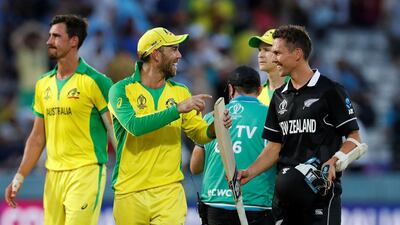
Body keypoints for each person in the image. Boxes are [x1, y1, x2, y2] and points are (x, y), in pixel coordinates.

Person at [238, 25, 363, 225]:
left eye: (278, 52)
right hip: (284, 200)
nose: (274, 58)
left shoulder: (330, 90)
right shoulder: (279, 97)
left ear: (297, 54)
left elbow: (355, 139)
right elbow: (273, 147)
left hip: (319, 195)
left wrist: (335, 160)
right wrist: (249, 172)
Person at [108, 27, 231, 225]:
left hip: (169, 191)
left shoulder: (180, 91)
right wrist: (177, 110)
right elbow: (134, 126)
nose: (179, 55)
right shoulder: (120, 90)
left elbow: (199, 134)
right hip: (130, 192)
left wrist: (216, 128)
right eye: (173, 49)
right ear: (156, 54)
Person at [4, 14, 113, 225]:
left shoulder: (96, 81)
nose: (48, 41)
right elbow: (37, 137)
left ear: (74, 41)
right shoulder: (43, 84)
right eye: (49, 36)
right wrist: (19, 177)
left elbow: (114, 130)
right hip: (53, 176)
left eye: (56, 36)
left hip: (86, 172)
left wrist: (127, 171)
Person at [190, 65, 276, 225]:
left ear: (230, 88)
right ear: (259, 90)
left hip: (214, 201)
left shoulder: (211, 117)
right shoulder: (271, 115)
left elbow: (195, 167)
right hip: (255, 204)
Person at [248, 29, 289, 106]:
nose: (260, 55)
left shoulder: (299, 88)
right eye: (259, 50)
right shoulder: (258, 95)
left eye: (266, 50)